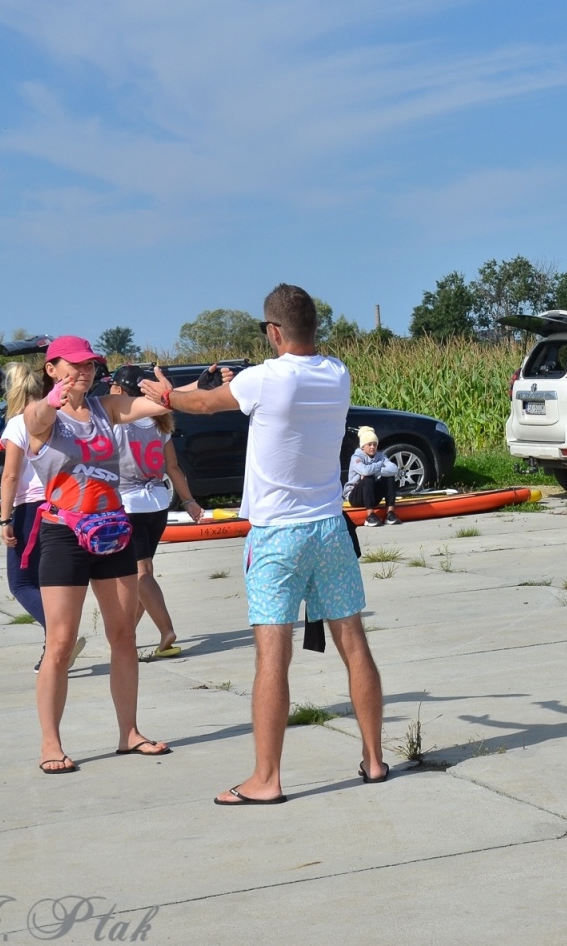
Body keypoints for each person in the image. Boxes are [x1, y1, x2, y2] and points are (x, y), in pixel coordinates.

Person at [151, 284, 387, 804]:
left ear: (273, 331)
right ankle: (373, 759)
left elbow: (203, 404)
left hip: (277, 534)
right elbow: (282, 390)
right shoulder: (337, 373)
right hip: (329, 528)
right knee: (354, 644)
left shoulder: (263, 379)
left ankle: (267, 779)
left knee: (272, 659)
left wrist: (163, 393)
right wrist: (247, 383)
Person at [24, 336, 173, 774]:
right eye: (72, 365)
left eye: (89, 365)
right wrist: (55, 397)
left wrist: (166, 393)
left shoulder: (107, 409)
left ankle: (129, 733)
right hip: (64, 535)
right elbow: (35, 421)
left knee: (123, 634)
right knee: (61, 643)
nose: (83, 371)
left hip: (112, 533)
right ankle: (50, 744)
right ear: (51, 368)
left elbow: (159, 410)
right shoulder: (44, 415)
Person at [0, 363, 88, 672]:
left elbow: (10, 477)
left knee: (21, 583)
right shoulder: (55, 416)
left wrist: (4, 519)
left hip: (29, 507)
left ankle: (61, 636)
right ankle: (53, 647)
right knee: (42, 581)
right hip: (59, 502)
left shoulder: (17, 424)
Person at [110, 366, 203, 658]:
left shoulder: (117, 422)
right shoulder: (158, 421)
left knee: (139, 573)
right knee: (144, 571)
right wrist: (189, 501)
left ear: (120, 391)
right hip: (158, 504)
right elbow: (172, 467)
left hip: (129, 504)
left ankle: (166, 630)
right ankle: (127, 633)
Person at [346, 426, 401, 526]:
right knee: (368, 477)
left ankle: (390, 513)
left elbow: (394, 469)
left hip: (372, 495)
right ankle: (370, 515)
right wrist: (379, 465)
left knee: (389, 477)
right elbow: (365, 471)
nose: (372, 447)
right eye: (369, 444)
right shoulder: (356, 457)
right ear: (363, 446)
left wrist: (376, 471)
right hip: (356, 496)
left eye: (375, 444)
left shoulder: (380, 456)